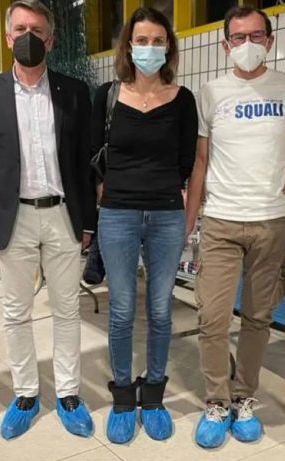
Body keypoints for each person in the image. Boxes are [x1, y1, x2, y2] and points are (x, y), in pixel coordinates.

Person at [0, 0, 96, 440]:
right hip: (13, 216)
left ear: (51, 40)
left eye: (37, 30)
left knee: (67, 309)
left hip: (62, 214)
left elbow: (83, 164)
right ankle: (25, 393)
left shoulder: (74, 91)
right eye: (20, 29)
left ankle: (69, 393)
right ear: (8, 38)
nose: (29, 37)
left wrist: (88, 222)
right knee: (16, 312)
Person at [186, 5, 285, 449]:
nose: (248, 44)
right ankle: (216, 401)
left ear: (270, 41)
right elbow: (201, 160)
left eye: (256, 35)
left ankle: (243, 398)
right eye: (238, 37)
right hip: (221, 219)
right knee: (212, 316)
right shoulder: (211, 92)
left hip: (272, 219)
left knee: (258, 316)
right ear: (225, 45)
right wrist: (189, 221)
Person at [91, 7, 197, 444]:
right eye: (142, 40)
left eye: (157, 41)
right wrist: (108, 198)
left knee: (159, 308)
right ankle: (122, 396)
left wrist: (184, 213)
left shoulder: (183, 99)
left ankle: (152, 395)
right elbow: (93, 157)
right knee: (120, 308)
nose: (149, 48)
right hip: (117, 214)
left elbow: (187, 163)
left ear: (168, 46)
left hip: (166, 215)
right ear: (128, 46)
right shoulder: (108, 95)